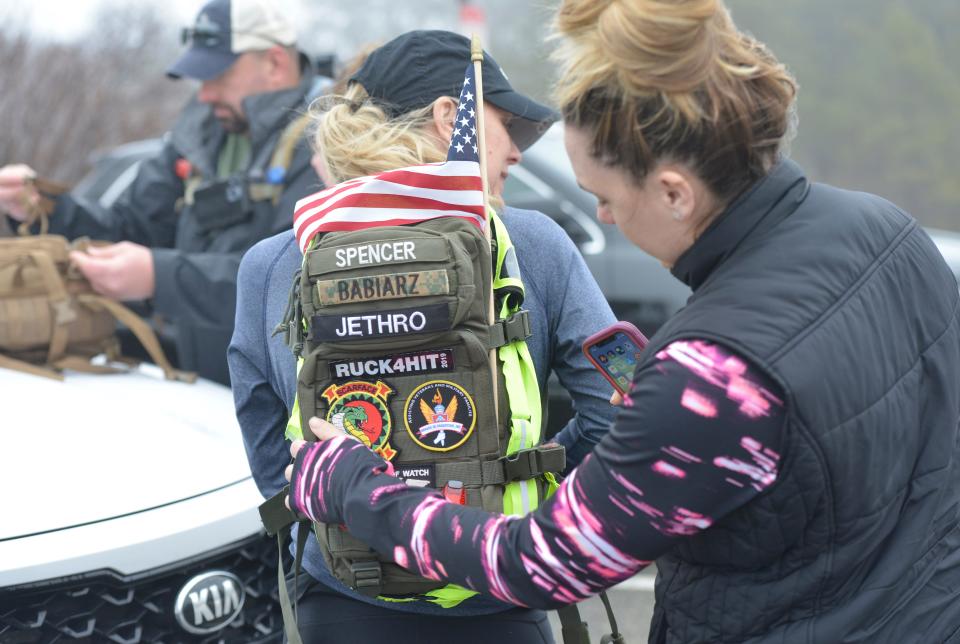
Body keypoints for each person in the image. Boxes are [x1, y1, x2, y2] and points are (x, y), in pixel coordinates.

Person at [281, 2, 960, 643]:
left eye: (605, 198)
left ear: (673, 190)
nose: (604, 219)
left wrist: (355, 488)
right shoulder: (888, 229)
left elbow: (537, 562)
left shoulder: (713, 374)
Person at [228, 30, 619, 643]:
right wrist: (520, 494)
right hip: (499, 594)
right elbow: (612, 416)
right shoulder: (532, 243)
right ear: (449, 118)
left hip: (341, 596)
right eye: (504, 121)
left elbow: (268, 448)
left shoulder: (275, 261)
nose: (517, 150)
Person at [0, 0, 323, 385]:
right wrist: (45, 208)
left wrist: (159, 277)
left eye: (217, 75)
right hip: (200, 388)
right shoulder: (198, 136)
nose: (204, 94)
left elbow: (293, 280)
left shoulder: (324, 146)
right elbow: (132, 226)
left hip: (286, 405)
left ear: (274, 63)